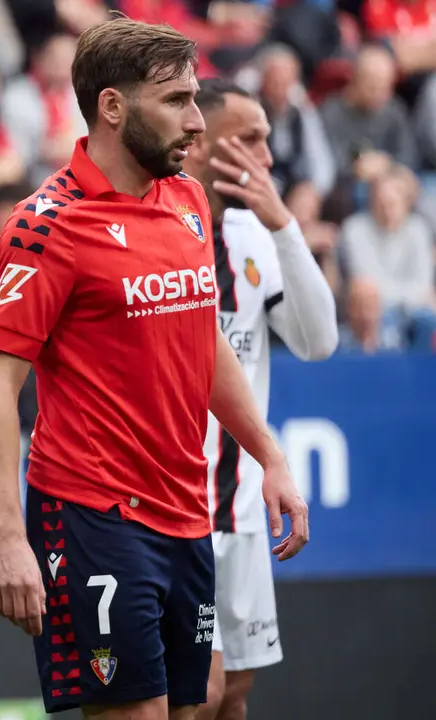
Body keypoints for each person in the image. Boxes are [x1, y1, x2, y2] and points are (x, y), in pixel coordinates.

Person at [0, 18, 311, 720]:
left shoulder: (187, 199)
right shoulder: (47, 224)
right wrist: (8, 537)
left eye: (194, 99)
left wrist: (268, 456)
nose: (195, 121)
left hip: (188, 510)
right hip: (93, 512)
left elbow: (204, 341)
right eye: (177, 101)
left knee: (197, 708)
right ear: (113, 108)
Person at [181, 80, 338, 720]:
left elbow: (318, 341)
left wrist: (284, 227)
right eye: (249, 139)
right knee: (201, 690)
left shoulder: (252, 237)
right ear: (198, 142)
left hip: (244, 510)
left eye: (268, 140)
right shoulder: (159, 230)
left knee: (234, 695)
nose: (267, 158)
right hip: (178, 507)